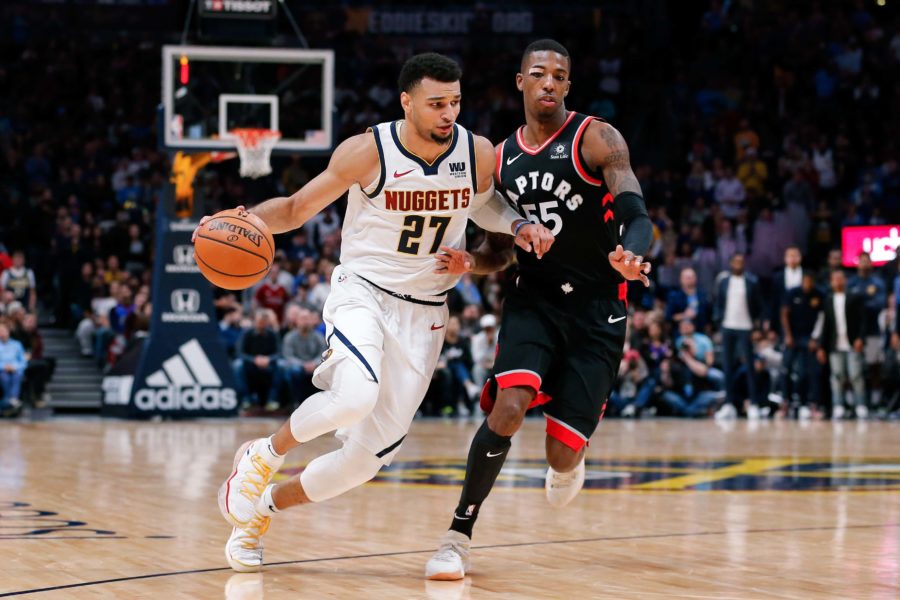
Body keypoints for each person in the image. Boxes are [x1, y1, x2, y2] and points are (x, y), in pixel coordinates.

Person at [193, 52, 553, 573]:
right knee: (353, 396)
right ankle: (264, 455)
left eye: (454, 102)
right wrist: (243, 220)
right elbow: (295, 209)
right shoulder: (367, 152)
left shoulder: (475, 152)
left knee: (361, 464)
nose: (448, 113)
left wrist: (517, 226)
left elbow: (484, 202)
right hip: (364, 290)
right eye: (435, 104)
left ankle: (259, 511)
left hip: (427, 310)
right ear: (407, 102)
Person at [423, 40, 652, 580]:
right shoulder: (499, 160)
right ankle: (457, 536)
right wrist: (468, 263)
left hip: (600, 308)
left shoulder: (596, 137)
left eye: (560, 75)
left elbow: (635, 210)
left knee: (560, 455)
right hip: (535, 299)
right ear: (520, 81)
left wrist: (633, 253)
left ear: (568, 85)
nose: (549, 82)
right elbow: (501, 253)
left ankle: (572, 459)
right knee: (508, 407)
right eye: (539, 73)